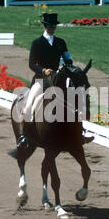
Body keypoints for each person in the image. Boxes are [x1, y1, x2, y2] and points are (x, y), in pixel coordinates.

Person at [17, 13, 94, 148]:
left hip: (58, 78)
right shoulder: (37, 43)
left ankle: (80, 132)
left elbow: (68, 59)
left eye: (54, 26)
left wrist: (65, 65)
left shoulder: (60, 42)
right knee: (29, 105)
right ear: (45, 26)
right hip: (41, 80)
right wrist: (43, 70)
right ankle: (24, 135)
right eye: (50, 26)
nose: (52, 29)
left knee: (74, 100)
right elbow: (31, 64)